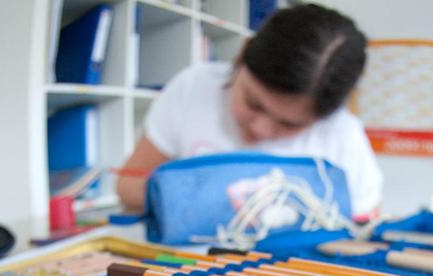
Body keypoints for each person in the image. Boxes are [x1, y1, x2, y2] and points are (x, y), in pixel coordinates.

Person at [116, 3, 383, 220]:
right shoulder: (194, 87)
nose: (260, 129)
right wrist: (201, 197)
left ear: (325, 118)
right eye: (254, 103)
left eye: (289, 124)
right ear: (241, 57)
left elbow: (364, 227)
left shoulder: (342, 136)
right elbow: (126, 187)